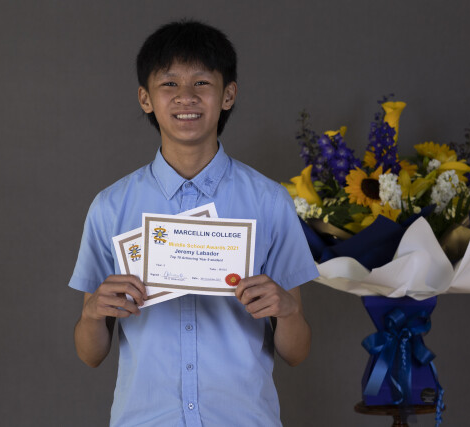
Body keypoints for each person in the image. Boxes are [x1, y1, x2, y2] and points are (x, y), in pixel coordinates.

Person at [69, 20, 319, 427]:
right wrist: (93, 313)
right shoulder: (111, 207)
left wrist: (288, 311)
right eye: (169, 83)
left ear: (228, 95)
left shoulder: (269, 202)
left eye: (202, 82)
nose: (186, 96)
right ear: (145, 98)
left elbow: (297, 352)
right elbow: (90, 354)